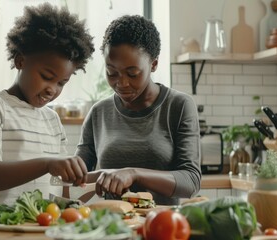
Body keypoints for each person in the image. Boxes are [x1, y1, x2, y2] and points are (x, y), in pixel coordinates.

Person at [0, 3, 95, 207]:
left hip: (43, 228)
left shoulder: (52, 120)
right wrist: (47, 164)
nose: (52, 89)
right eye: (46, 77)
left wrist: (91, 182)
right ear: (20, 61)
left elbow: (59, 188)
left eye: (62, 83)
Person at [76, 15, 201, 205]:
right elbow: (79, 178)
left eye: (132, 74)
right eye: (112, 72)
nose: (122, 83)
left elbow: (191, 182)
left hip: (162, 226)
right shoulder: (99, 112)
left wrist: (133, 174)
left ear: (154, 64)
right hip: (111, 227)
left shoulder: (179, 106)